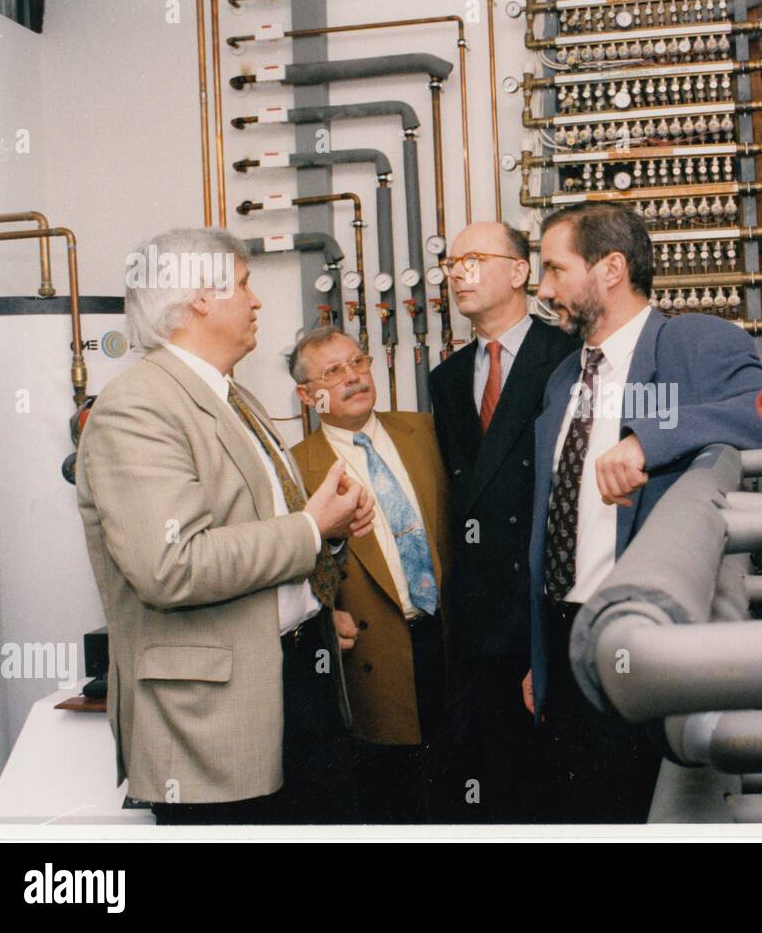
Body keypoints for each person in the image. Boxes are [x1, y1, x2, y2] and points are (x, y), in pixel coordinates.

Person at [76, 227, 374, 825]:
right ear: (199, 300)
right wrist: (312, 530)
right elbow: (172, 567)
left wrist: (331, 531)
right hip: (215, 725)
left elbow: (265, 532)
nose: (256, 301)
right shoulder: (138, 407)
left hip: (296, 682)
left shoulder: (233, 397)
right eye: (242, 286)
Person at [527, 202, 762, 823]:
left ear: (611, 268)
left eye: (556, 270)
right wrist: (542, 660)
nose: (543, 287)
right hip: (567, 642)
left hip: (648, 641)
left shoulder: (690, 342)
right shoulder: (563, 379)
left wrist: (651, 438)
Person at [428, 222, 579, 823]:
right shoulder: (445, 380)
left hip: (550, 612)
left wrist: (540, 645)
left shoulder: (567, 357)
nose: (458, 274)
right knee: (493, 792)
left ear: (519, 272)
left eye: (474, 260)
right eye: (451, 264)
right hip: (480, 629)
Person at [290, 326, 451, 824]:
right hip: (373, 661)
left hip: (449, 645)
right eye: (333, 372)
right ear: (307, 395)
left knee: (462, 793)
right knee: (395, 802)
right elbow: (294, 566)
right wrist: (322, 615)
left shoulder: (426, 432)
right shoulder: (296, 469)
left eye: (358, 362)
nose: (353, 377)